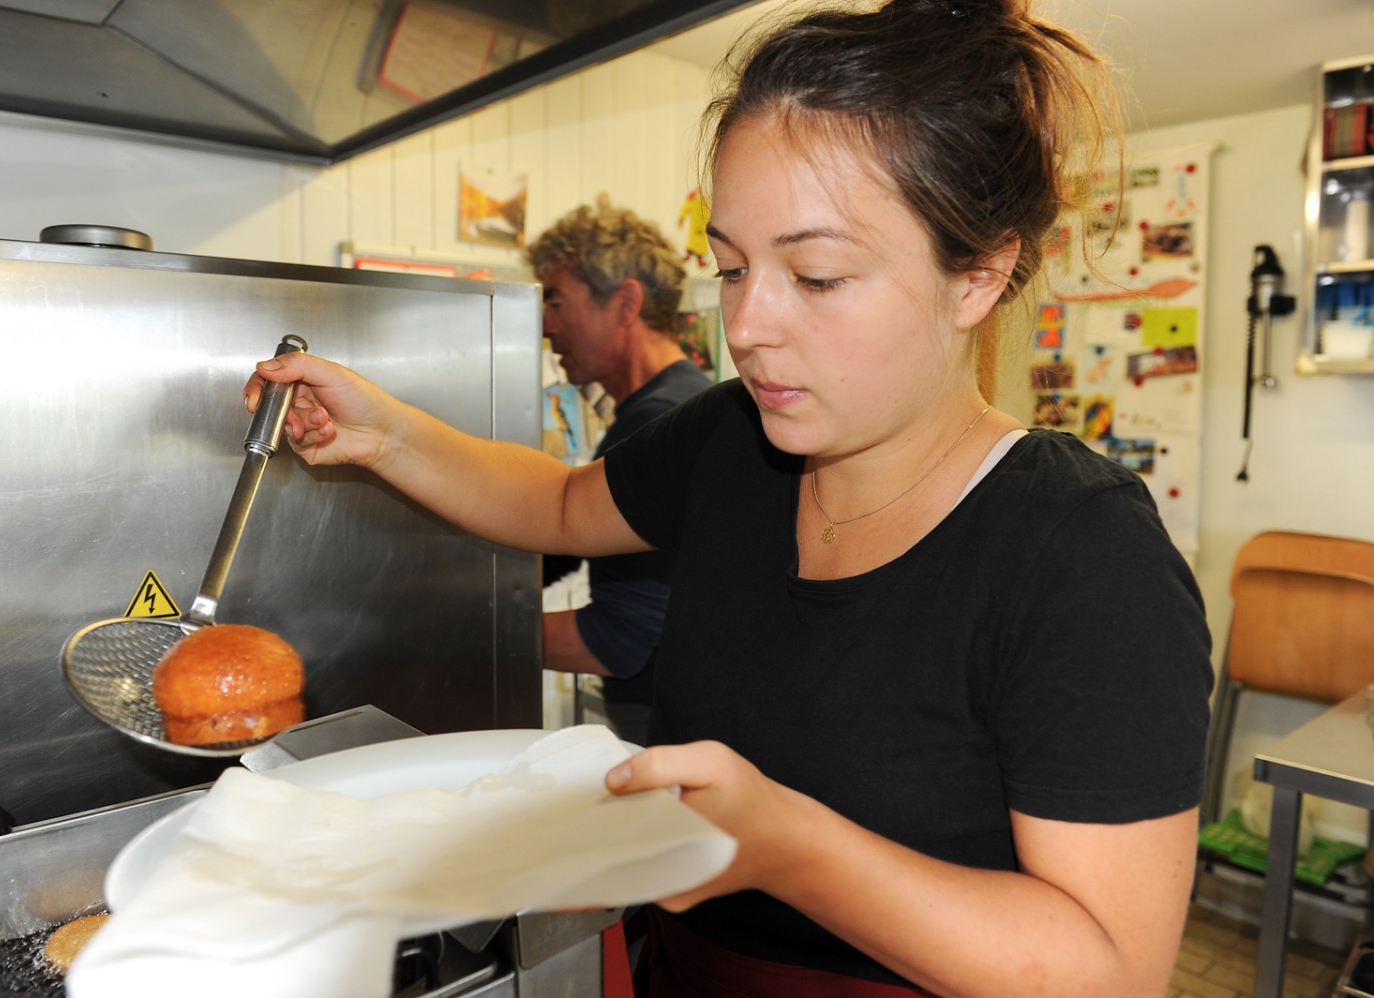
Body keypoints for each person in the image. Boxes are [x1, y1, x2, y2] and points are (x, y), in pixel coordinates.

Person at [245, 1, 1213, 993]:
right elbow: (562, 504)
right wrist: (387, 434)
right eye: (734, 267)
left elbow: (1109, 968)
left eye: (819, 275)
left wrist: (790, 845)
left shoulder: (1080, 552)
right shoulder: (733, 440)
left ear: (979, 274)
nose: (747, 325)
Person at [527, 197, 713, 747]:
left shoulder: (658, 424)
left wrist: (448, 634)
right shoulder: (669, 407)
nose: (544, 326)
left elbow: (615, 639)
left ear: (626, 303)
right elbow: (568, 541)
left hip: (665, 720)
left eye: (556, 302)